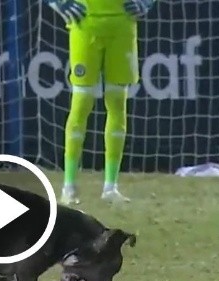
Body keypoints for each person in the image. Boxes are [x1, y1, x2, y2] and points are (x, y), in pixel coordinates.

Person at [46, 0, 157, 205]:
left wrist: (147, 3)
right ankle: (69, 187)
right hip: (86, 24)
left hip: (122, 26)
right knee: (81, 103)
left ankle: (110, 188)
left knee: (117, 103)